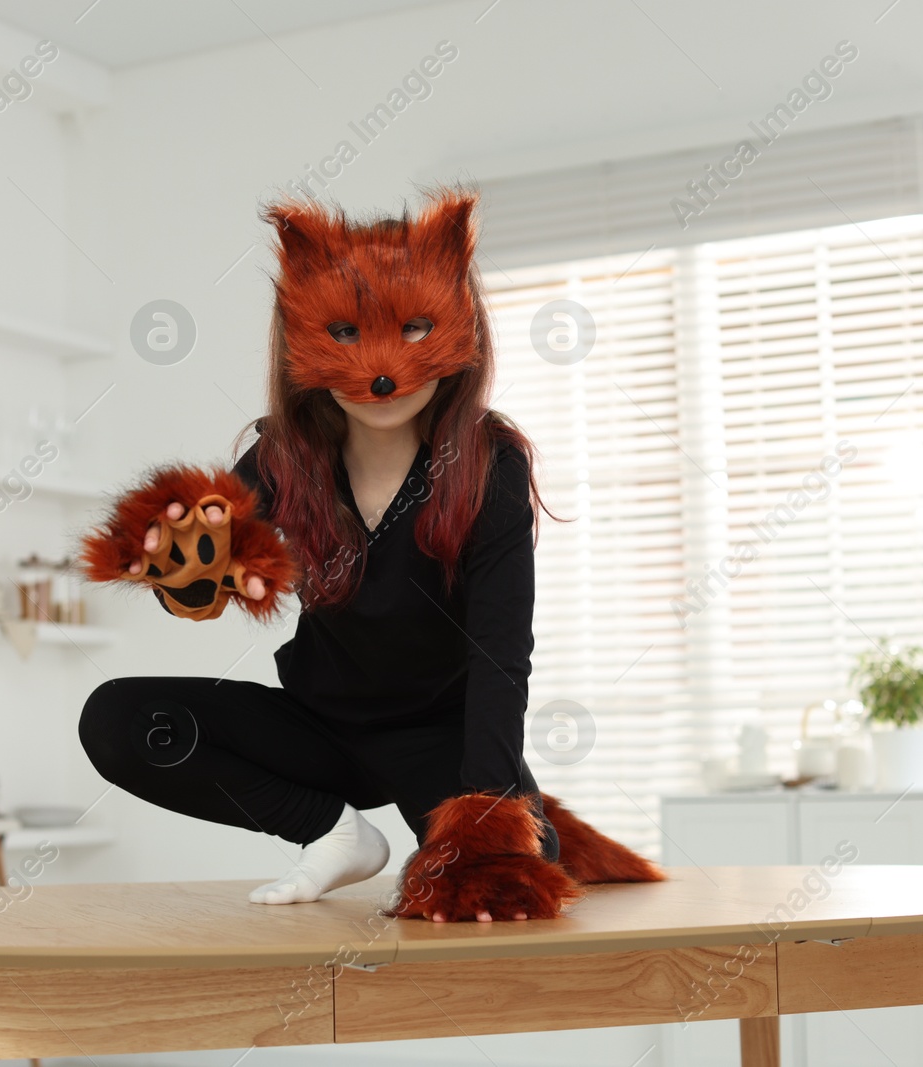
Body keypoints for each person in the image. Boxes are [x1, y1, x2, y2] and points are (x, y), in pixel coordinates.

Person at [78, 186, 660, 922]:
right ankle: (334, 833)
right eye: (348, 333)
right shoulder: (281, 458)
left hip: (440, 742)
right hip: (318, 728)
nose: (382, 374)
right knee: (118, 718)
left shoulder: (489, 465)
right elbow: (213, 570)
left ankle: (525, 823)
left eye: (414, 328)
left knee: (501, 890)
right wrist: (185, 570)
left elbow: (500, 654)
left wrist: (487, 812)